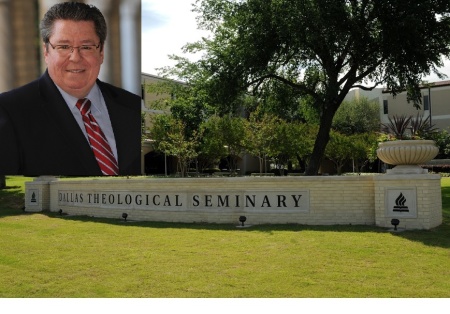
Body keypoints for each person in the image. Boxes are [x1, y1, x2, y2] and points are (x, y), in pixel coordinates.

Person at [0, 2, 141, 176]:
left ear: (101, 52)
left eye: (86, 47)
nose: (75, 58)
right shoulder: (10, 112)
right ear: (46, 51)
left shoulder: (134, 107)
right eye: (63, 47)